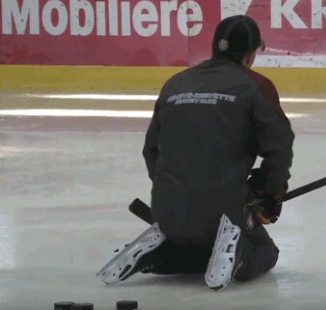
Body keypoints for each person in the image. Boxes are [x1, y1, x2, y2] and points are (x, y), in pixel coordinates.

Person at [96, 15, 295, 290]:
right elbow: (279, 149)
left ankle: (161, 253)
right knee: (264, 252)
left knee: (197, 246)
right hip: (224, 211)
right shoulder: (255, 86)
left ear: (215, 46)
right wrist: (270, 193)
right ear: (250, 54)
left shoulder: (176, 83)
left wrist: (177, 191)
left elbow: (151, 150)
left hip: (166, 209)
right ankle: (236, 252)